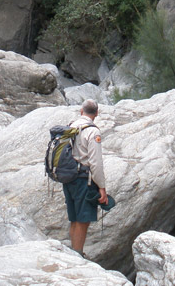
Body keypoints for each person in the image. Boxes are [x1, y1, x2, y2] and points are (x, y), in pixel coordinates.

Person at [63, 98, 108, 257]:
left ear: (81, 111)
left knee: (74, 217)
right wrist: (101, 187)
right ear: (96, 113)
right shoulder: (92, 131)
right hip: (84, 180)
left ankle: (74, 251)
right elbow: (95, 162)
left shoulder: (71, 126)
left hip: (68, 178)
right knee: (83, 219)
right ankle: (78, 254)